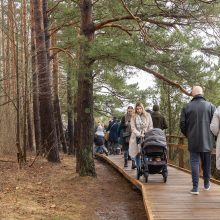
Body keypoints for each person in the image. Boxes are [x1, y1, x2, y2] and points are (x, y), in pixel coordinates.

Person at [180, 86, 215, 195]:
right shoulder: (210, 106)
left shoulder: (186, 107)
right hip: (207, 140)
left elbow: (182, 125)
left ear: (192, 94)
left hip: (193, 140)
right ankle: (206, 184)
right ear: (202, 93)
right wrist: (212, 136)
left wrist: (188, 134)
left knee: (194, 163)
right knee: (207, 163)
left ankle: (195, 188)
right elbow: (215, 125)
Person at [129, 102, 153, 174]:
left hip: (146, 135)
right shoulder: (133, 116)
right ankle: (138, 168)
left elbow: (150, 126)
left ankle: (146, 166)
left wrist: (148, 133)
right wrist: (139, 134)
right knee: (137, 153)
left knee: (146, 151)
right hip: (136, 136)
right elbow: (133, 128)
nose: (139, 110)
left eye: (140, 108)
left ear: (142, 108)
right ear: (135, 109)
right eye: (137, 109)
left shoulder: (148, 115)